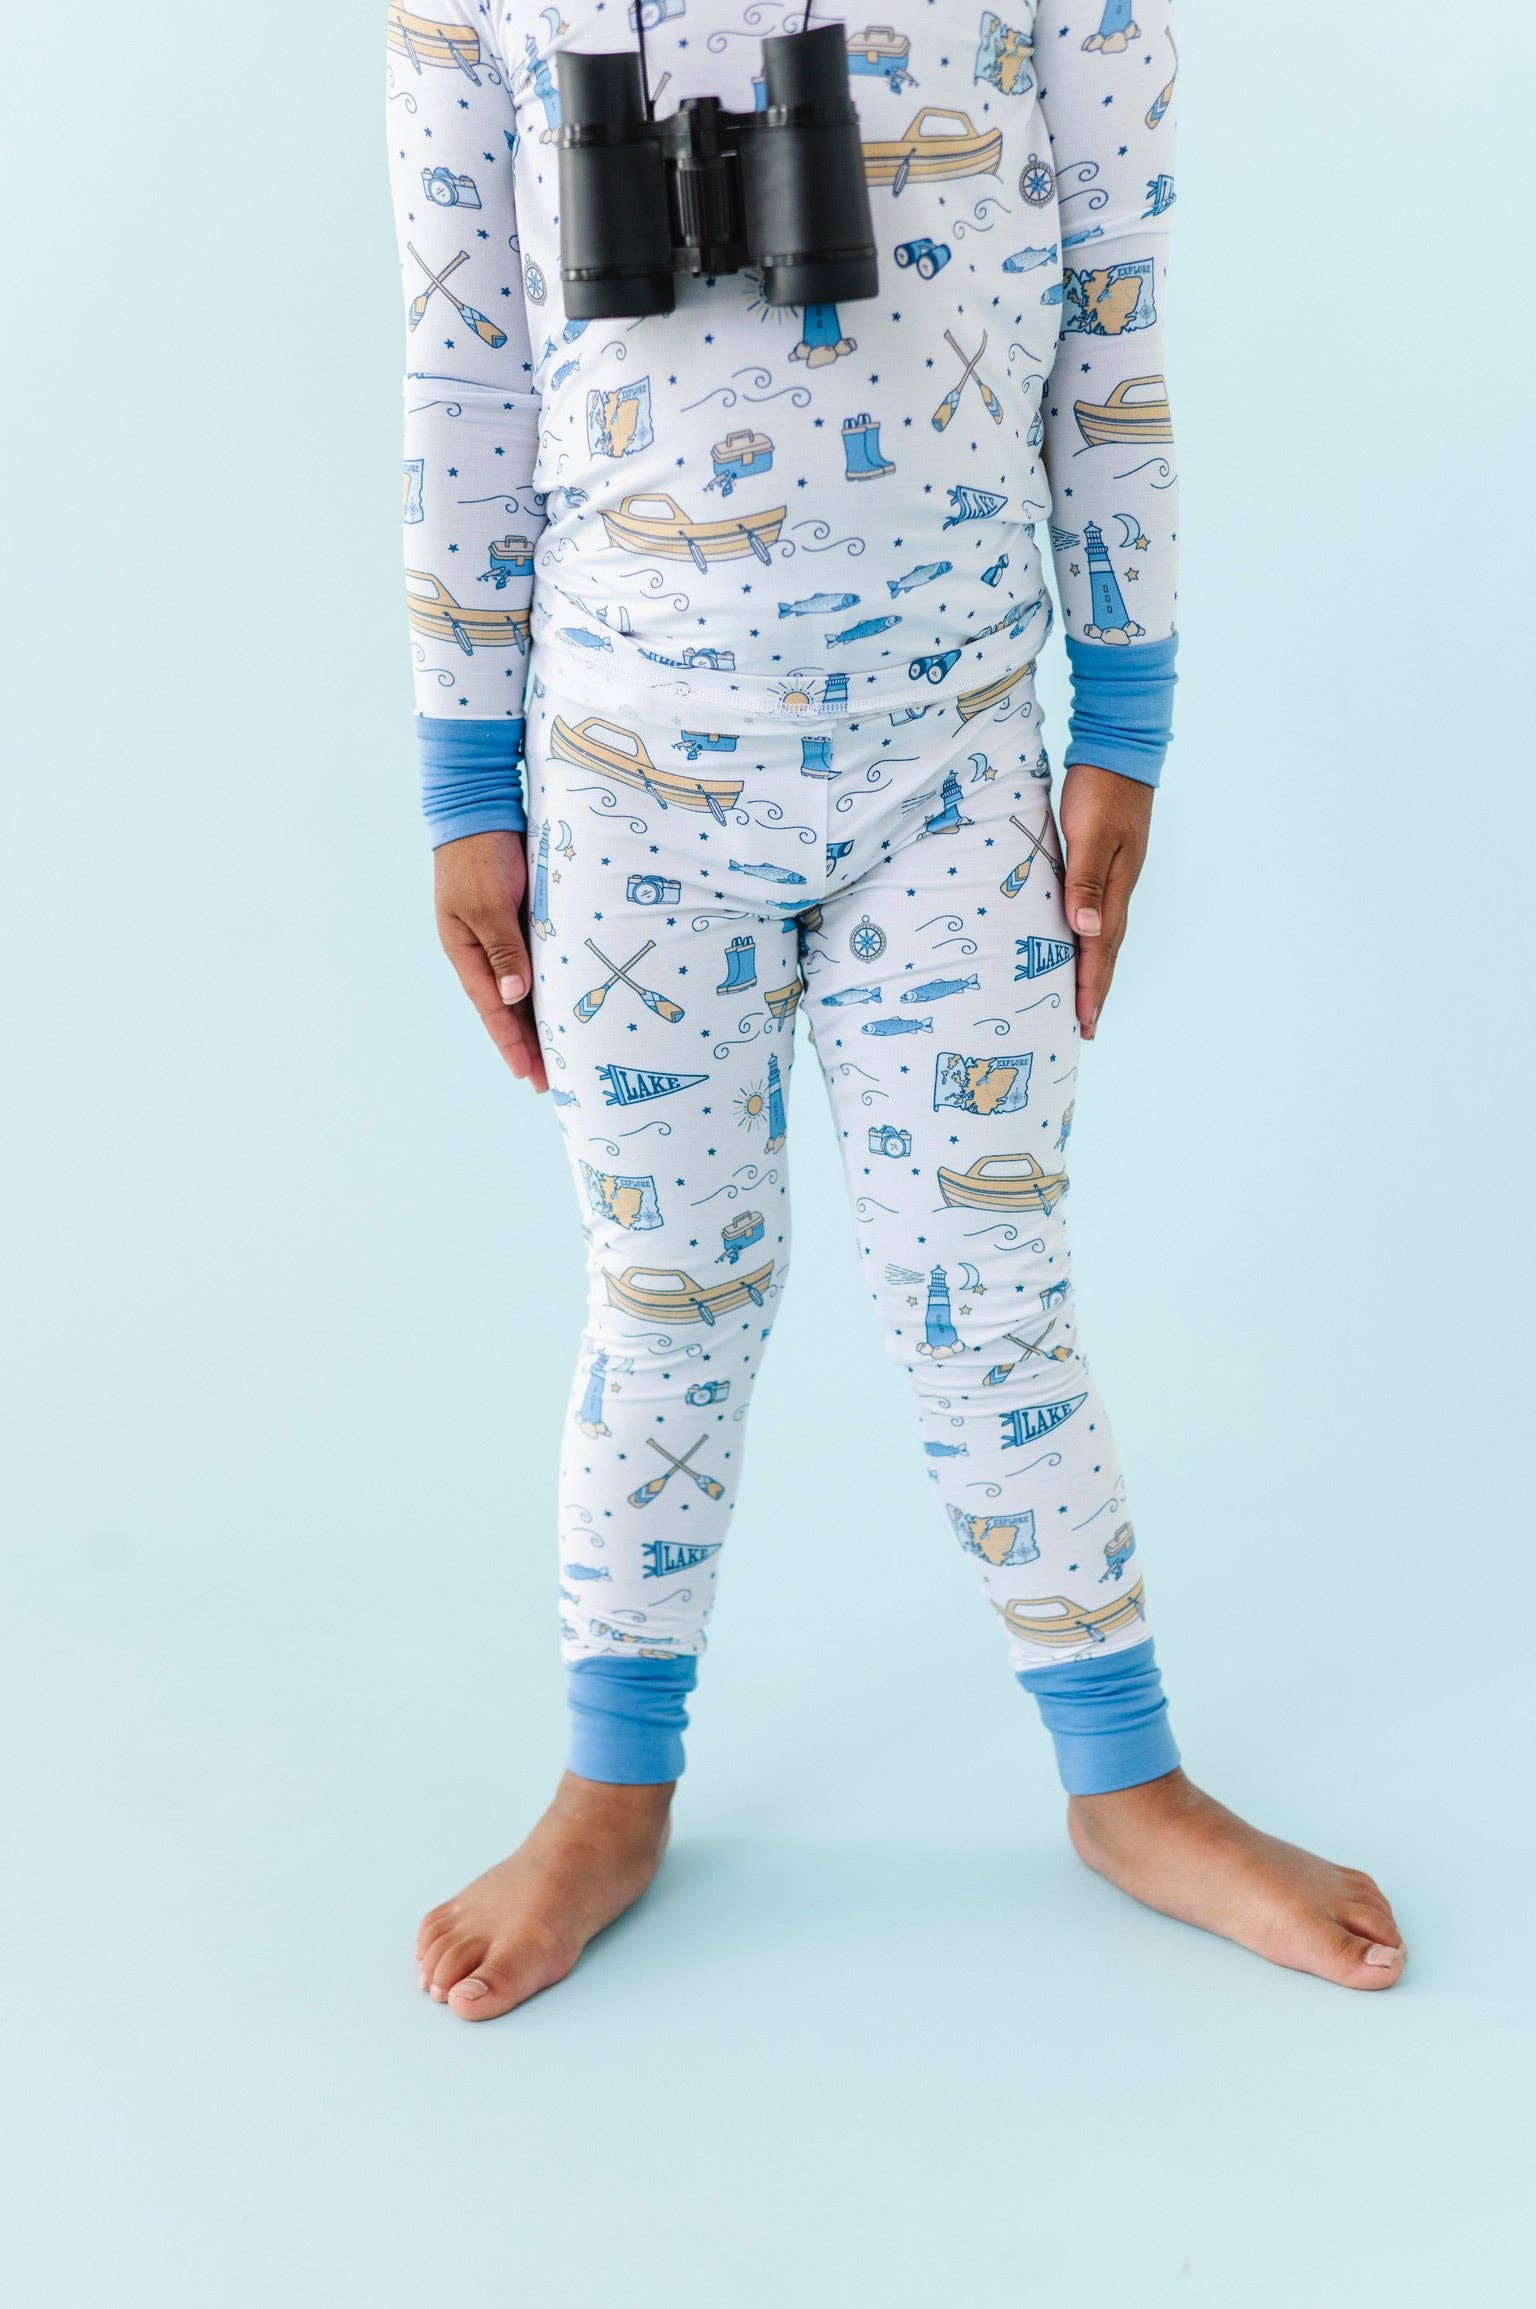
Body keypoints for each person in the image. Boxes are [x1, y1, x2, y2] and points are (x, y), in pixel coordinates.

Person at [385, 0, 1404, 2018]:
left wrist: (1122, 717)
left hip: (952, 766)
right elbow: (462, 369)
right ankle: (609, 1789)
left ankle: (1127, 1782)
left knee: (989, 1279)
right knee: (666, 1287)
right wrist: (462, 788)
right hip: (622, 781)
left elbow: (1112, 320)